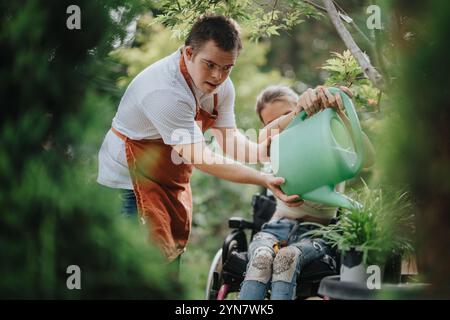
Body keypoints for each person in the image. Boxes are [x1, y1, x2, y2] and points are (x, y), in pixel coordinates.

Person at [96, 15, 302, 268]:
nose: (218, 76)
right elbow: (201, 158)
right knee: (136, 271)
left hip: (169, 180)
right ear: (189, 52)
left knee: (168, 265)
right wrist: (263, 179)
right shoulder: (165, 90)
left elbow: (230, 141)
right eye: (210, 65)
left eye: (227, 68)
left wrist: (266, 153)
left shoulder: (221, 88)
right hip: (127, 184)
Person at [238, 85, 375, 300]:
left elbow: (368, 158)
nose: (284, 125)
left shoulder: (329, 139)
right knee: (261, 259)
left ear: (304, 106)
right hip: (276, 227)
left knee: (287, 258)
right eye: (274, 121)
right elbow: (264, 137)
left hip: (316, 232)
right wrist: (293, 115)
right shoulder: (274, 150)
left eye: (286, 114)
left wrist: (339, 112)